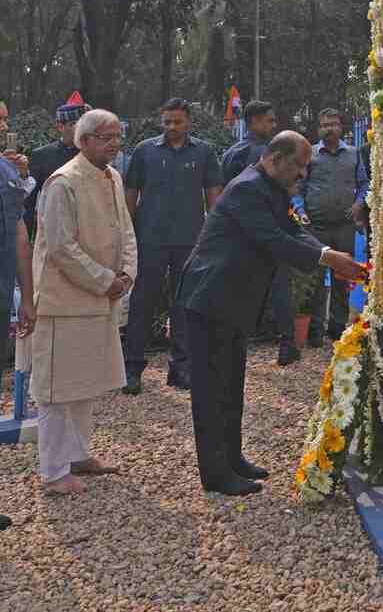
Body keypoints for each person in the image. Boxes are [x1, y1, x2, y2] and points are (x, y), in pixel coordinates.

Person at [177, 130, 366, 495]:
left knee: (231, 384)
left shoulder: (271, 189)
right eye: (298, 166)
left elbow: (293, 230)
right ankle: (216, 474)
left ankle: (232, 458)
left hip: (231, 301)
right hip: (210, 298)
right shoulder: (248, 188)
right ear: (275, 158)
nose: (302, 175)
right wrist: (329, 259)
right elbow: (274, 240)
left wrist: (328, 254)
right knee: (212, 389)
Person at [31, 109, 136, 495]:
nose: (114, 143)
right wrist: (105, 280)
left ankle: (77, 455)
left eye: (116, 137)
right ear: (84, 139)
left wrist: (127, 274)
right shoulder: (63, 182)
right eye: (106, 137)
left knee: (84, 385)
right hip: (64, 303)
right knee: (57, 389)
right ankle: (54, 472)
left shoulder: (113, 177)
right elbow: (60, 247)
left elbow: (126, 231)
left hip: (99, 300)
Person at [122, 98, 222, 394]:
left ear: (188, 121)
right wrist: (128, 231)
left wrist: (212, 234)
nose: (171, 127)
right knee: (142, 304)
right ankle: (132, 369)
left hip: (190, 242)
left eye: (177, 122)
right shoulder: (144, 151)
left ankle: (181, 368)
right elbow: (130, 192)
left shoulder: (204, 152)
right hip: (149, 239)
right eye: (166, 121)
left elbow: (213, 195)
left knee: (184, 306)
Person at [221, 100, 299, 367]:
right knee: (278, 287)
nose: (274, 125)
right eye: (270, 120)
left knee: (244, 287)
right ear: (253, 121)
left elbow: (223, 193)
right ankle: (287, 343)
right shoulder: (269, 154)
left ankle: (238, 342)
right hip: (270, 229)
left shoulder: (232, 152)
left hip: (240, 233)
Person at [295, 107, 368, 347]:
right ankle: (314, 332)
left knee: (342, 278)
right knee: (314, 279)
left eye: (334, 124)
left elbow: (364, 182)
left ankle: (337, 329)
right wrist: (301, 212)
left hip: (344, 226)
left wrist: (359, 204)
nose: (330, 129)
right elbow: (298, 188)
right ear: (319, 128)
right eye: (325, 125)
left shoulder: (354, 154)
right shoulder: (311, 155)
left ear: (341, 127)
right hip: (316, 226)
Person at [0, 103, 36, 531]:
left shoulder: (8, 173)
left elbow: (20, 233)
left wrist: (26, 296)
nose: (5, 128)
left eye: (6, 120)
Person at [24, 97, 89, 234]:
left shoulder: (91, 154)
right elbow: (29, 200)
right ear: (60, 126)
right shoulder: (42, 156)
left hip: (88, 230)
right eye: (73, 124)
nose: (79, 129)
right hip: (53, 229)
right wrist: (27, 237)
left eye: (82, 125)